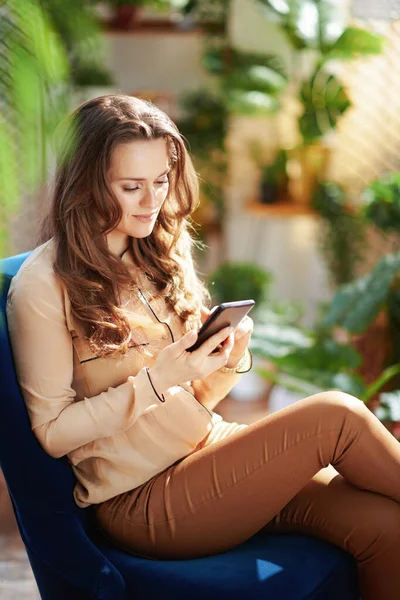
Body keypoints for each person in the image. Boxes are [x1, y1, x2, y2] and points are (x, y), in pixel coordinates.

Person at [6, 94, 400, 600]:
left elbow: (198, 399)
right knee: (335, 415)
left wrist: (228, 358)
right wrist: (156, 380)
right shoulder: (43, 286)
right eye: (131, 188)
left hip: (209, 454)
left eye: (160, 182)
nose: (152, 203)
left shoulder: (157, 248)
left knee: (386, 527)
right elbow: (53, 434)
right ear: (84, 187)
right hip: (141, 500)